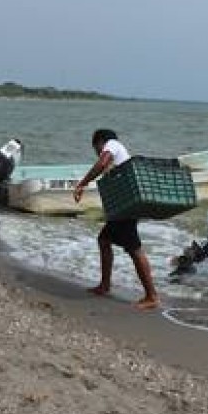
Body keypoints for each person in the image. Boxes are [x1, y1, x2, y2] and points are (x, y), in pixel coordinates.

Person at [73, 129, 160, 310]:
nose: (97, 152)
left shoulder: (112, 144)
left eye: (96, 148)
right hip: (124, 207)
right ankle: (105, 285)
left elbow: (102, 162)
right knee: (104, 240)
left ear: (100, 142)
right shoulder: (118, 152)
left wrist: (82, 183)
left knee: (134, 249)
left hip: (128, 208)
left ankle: (152, 296)